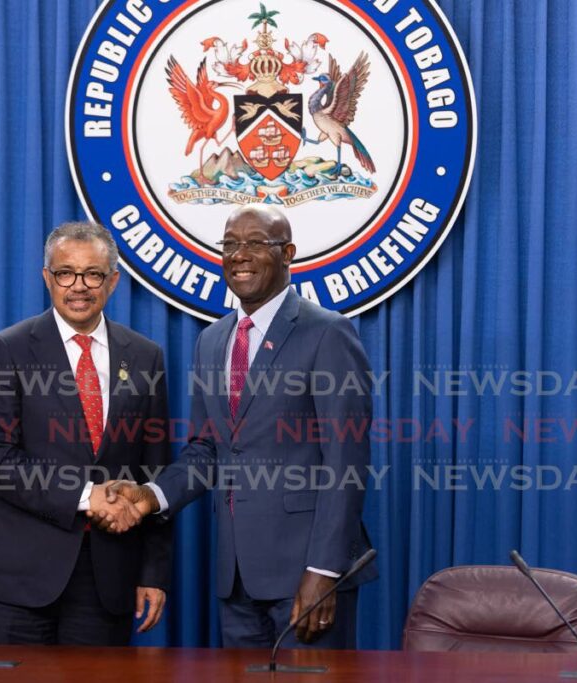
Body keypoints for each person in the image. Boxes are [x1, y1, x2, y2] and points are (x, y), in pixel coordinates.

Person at [106, 205, 377, 648]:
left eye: (255, 243)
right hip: (235, 579)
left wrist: (325, 570)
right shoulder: (212, 341)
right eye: (230, 244)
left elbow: (346, 459)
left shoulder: (328, 332)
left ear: (288, 253)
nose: (239, 254)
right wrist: (150, 496)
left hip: (305, 575)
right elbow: (206, 451)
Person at [0, 221, 171, 645]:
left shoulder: (146, 356)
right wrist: (85, 495)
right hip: (15, 582)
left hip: (107, 581)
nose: (79, 286)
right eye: (66, 273)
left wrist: (153, 571)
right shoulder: (7, 349)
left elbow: (157, 471)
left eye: (93, 274)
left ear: (112, 281)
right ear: (47, 278)